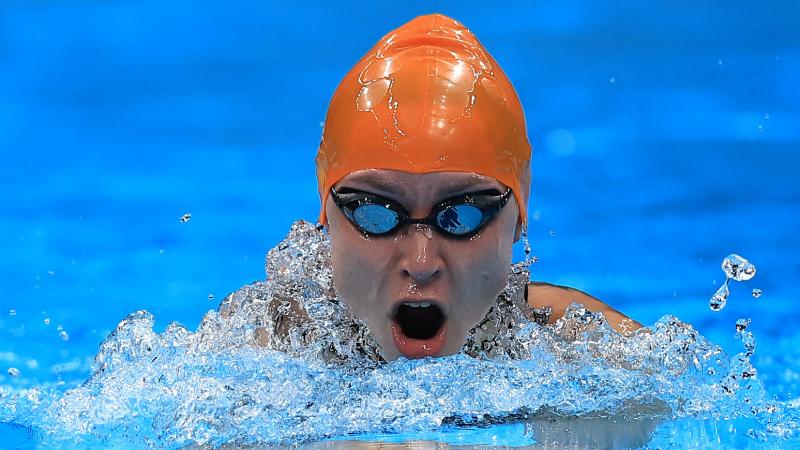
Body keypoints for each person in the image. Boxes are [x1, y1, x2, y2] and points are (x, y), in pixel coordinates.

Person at [221, 13, 640, 362]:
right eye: (376, 213)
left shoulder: (584, 346)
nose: (421, 262)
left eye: (461, 215)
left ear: (519, 212)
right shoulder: (260, 345)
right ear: (326, 209)